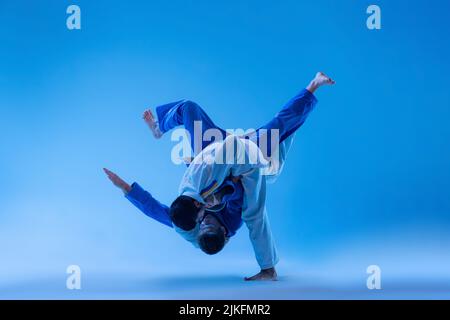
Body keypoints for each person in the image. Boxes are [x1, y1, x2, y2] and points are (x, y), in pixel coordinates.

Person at [104, 72, 335, 280]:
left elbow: (156, 211)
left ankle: (159, 128)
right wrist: (268, 268)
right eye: (209, 223)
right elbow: (255, 219)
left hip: (210, 153)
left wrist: (126, 188)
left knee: (189, 108)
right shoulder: (233, 220)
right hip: (243, 159)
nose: (205, 220)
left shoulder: (187, 227)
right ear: (224, 233)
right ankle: (313, 84)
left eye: (201, 222)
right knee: (280, 126)